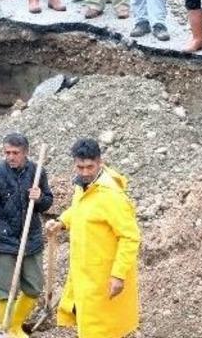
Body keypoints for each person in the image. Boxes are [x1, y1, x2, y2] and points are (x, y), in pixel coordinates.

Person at [46, 138, 141, 338]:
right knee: (89, 325)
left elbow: (129, 237)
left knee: (101, 329)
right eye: (80, 167)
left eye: (90, 167)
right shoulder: (85, 186)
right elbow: (82, 210)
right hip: (84, 273)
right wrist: (62, 221)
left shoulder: (111, 196)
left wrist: (118, 274)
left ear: (100, 162)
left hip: (103, 277)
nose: (85, 172)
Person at [0, 133, 53, 338]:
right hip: (3, 239)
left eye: (15, 153)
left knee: (34, 287)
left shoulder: (37, 172)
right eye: (7, 152)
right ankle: (5, 331)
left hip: (31, 239)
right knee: (3, 290)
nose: (11, 157)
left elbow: (47, 202)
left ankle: (15, 325)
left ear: (25, 152)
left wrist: (40, 197)